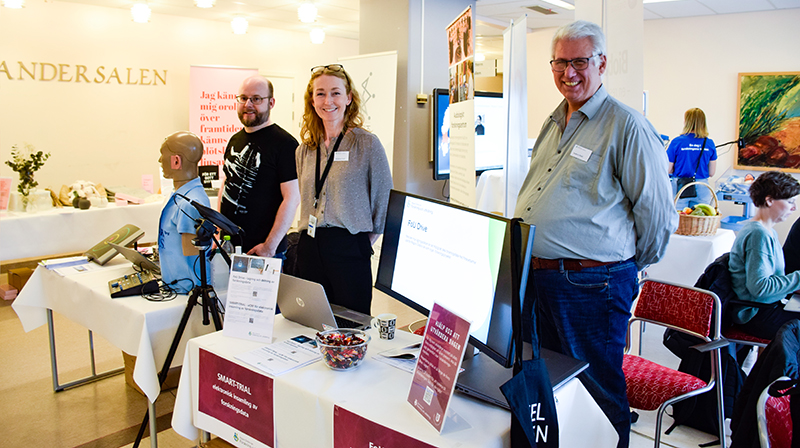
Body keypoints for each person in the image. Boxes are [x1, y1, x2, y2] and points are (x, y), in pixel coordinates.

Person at [513, 20, 677, 448]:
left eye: (580, 61)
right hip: (540, 278)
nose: (569, 72)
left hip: (591, 284)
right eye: (561, 62)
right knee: (550, 387)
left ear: (601, 63)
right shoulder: (554, 121)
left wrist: (621, 267)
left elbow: (659, 217)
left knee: (597, 389)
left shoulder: (627, 126)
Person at [294, 64, 393, 315]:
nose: (328, 100)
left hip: (349, 248)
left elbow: (385, 201)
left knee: (352, 326)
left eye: (336, 92)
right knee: (310, 320)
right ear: (312, 100)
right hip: (309, 247)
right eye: (320, 93)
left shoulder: (366, 144)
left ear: (349, 97)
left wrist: (360, 243)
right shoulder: (305, 150)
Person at [219, 75, 300, 258]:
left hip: (264, 251)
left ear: (271, 103)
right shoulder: (235, 140)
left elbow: (292, 198)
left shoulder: (285, 144)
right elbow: (226, 184)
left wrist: (270, 246)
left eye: (256, 99)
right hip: (230, 246)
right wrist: (219, 226)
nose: (248, 104)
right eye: (243, 98)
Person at [728, 170, 800, 340]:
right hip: (757, 315)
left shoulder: (767, 231)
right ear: (769, 200)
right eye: (790, 202)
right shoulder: (758, 234)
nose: (794, 207)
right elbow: (760, 288)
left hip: (767, 308)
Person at [158, 131, 211, 294]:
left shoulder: (189, 203)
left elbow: (194, 257)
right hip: (174, 284)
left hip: (184, 289)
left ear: (176, 160)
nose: (160, 161)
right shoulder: (181, 195)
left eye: (162, 155)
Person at [667, 108, 718, 210]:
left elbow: (668, 169)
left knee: (679, 220)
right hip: (702, 186)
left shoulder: (677, 142)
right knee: (700, 221)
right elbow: (711, 172)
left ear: (686, 122)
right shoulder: (709, 143)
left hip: (680, 186)